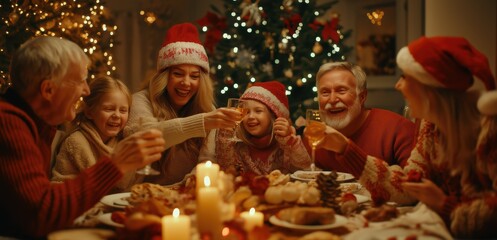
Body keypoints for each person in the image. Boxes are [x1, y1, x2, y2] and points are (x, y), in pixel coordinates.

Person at [316, 36, 497, 238]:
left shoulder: (488, 132)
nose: (398, 86)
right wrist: (347, 150)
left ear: (429, 88)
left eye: (405, 77)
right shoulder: (430, 127)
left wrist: (444, 206)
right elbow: (407, 188)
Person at [0, 36, 165, 238]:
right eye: (80, 80)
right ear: (48, 90)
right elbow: (41, 214)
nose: (86, 90)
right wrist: (115, 164)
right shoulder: (7, 122)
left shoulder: (39, 125)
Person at [125, 22, 241, 185]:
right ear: (164, 77)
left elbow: (206, 161)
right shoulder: (140, 100)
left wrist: (184, 187)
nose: (186, 83)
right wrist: (201, 122)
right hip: (138, 196)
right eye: (178, 74)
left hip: (181, 197)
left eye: (194, 76)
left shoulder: (207, 109)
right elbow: (144, 136)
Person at [304, 62, 416, 173]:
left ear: (362, 97)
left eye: (341, 90)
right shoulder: (315, 135)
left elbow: (415, 184)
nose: (332, 99)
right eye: (325, 92)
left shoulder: (398, 128)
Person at [199, 81, 312, 175]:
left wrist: (289, 141)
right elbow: (227, 171)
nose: (251, 117)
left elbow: (304, 169)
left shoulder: (286, 144)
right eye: (246, 111)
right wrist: (224, 139)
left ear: (273, 116)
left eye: (258, 111)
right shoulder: (239, 145)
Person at [51, 76, 140, 193]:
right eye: (109, 109)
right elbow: (58, 187)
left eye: (123, 110)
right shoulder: (75, 142)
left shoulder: (122, 141)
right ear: (89, 112)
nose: (117, 115)